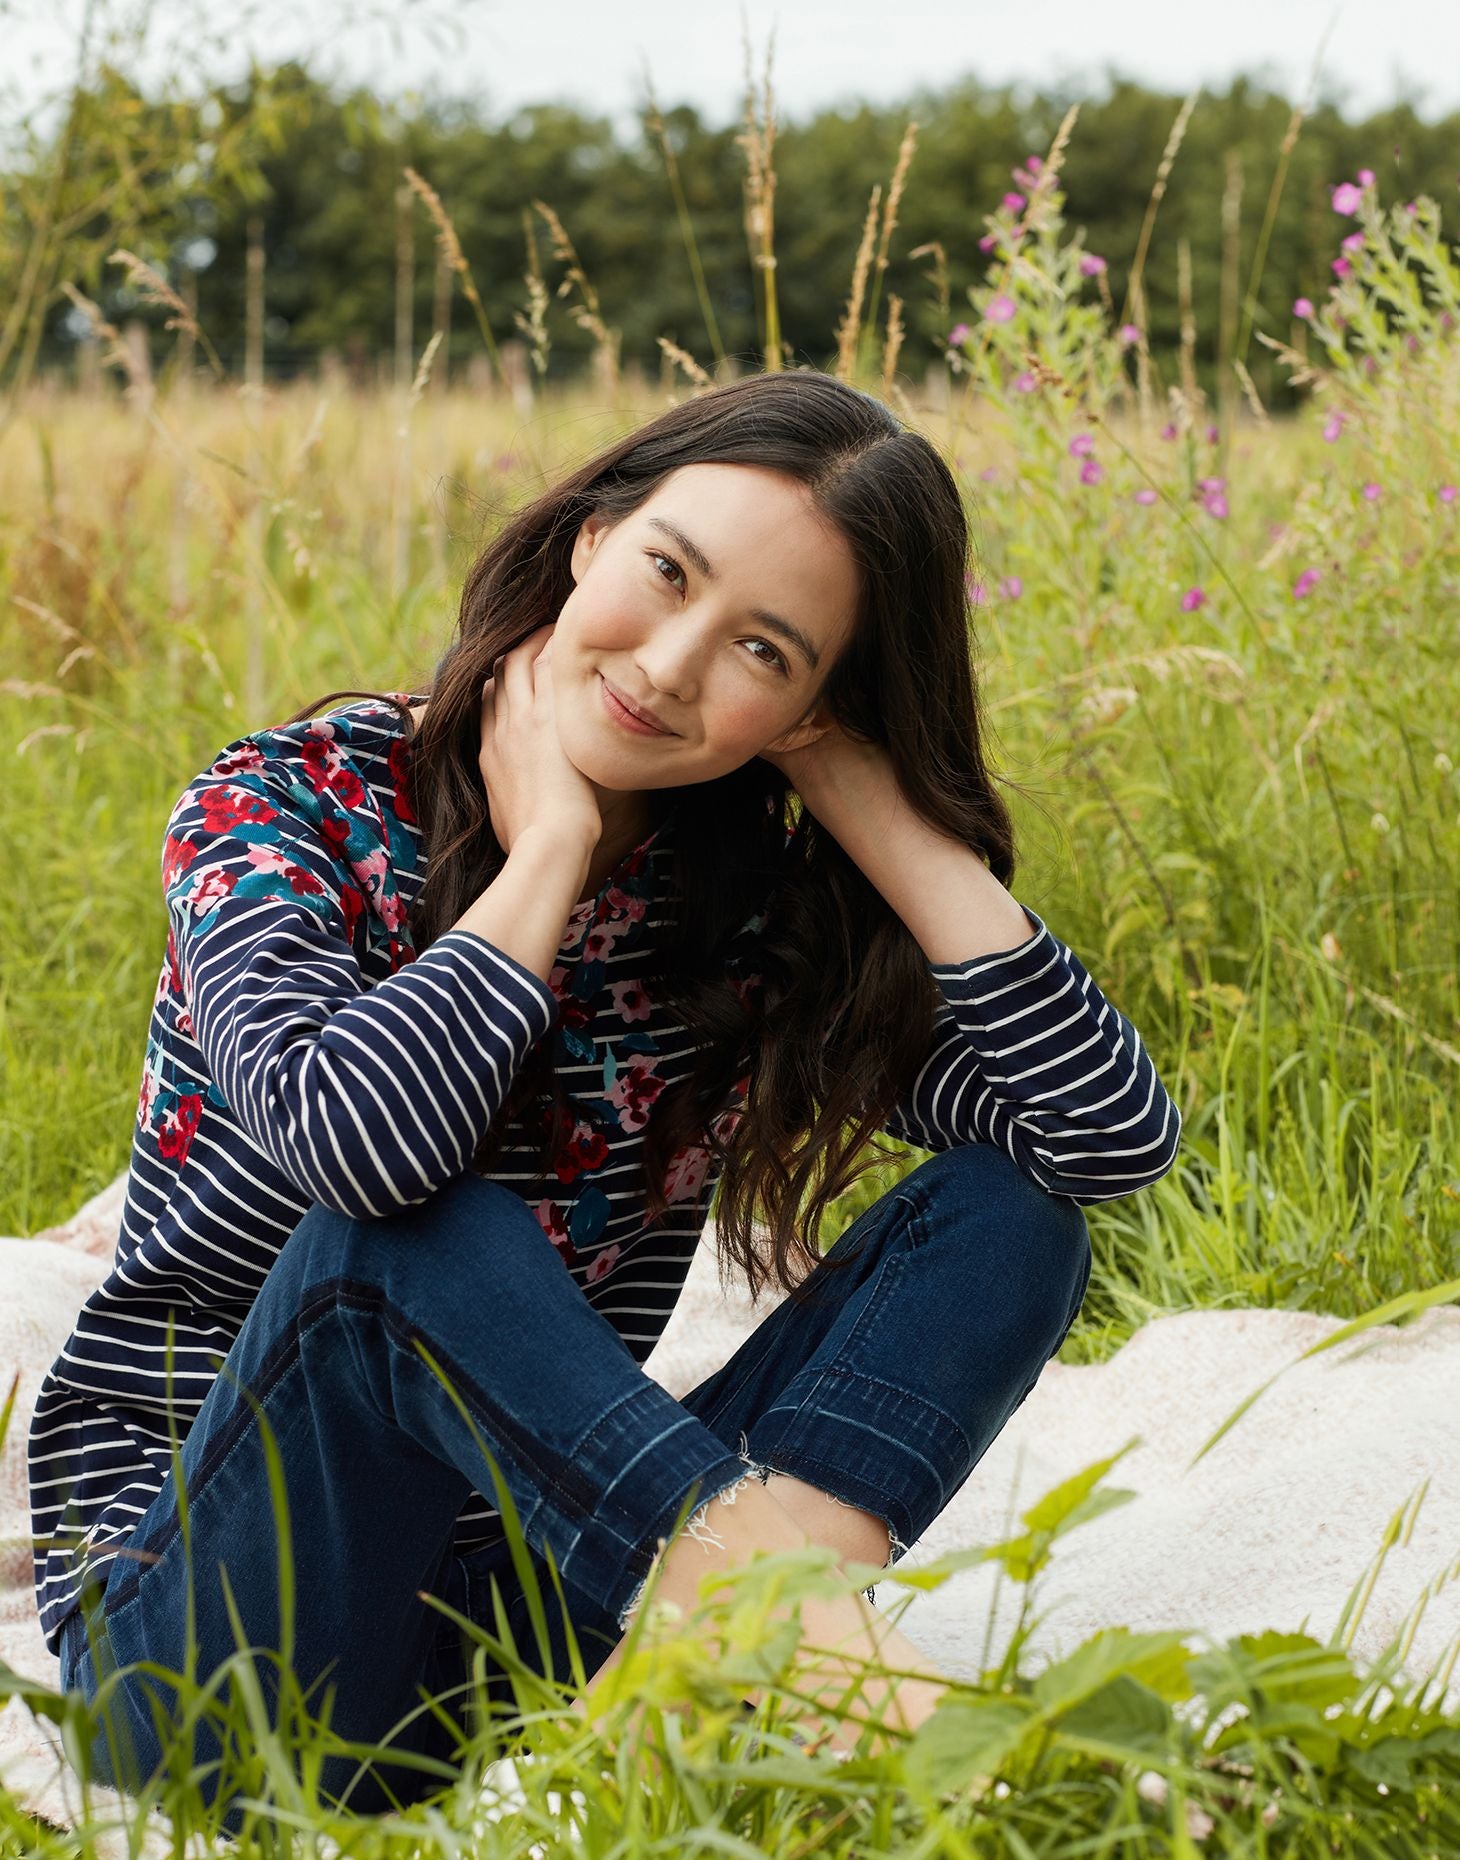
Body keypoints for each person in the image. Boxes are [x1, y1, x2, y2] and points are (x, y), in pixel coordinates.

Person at [30, 370, 1181, 1827]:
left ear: (812, 705)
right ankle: (813, 1652)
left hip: (550, 1613)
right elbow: (354, 1151)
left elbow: (1100, 1139)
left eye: (763, 648)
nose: (674, 664)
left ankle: (729, 1646)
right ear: (590, 535)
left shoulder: (737, 912)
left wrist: (880, 815)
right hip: (207, 1639)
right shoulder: (285, 804)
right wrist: (547, 855)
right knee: (407, 1234)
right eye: (667, 572)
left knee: (1014, 1217)